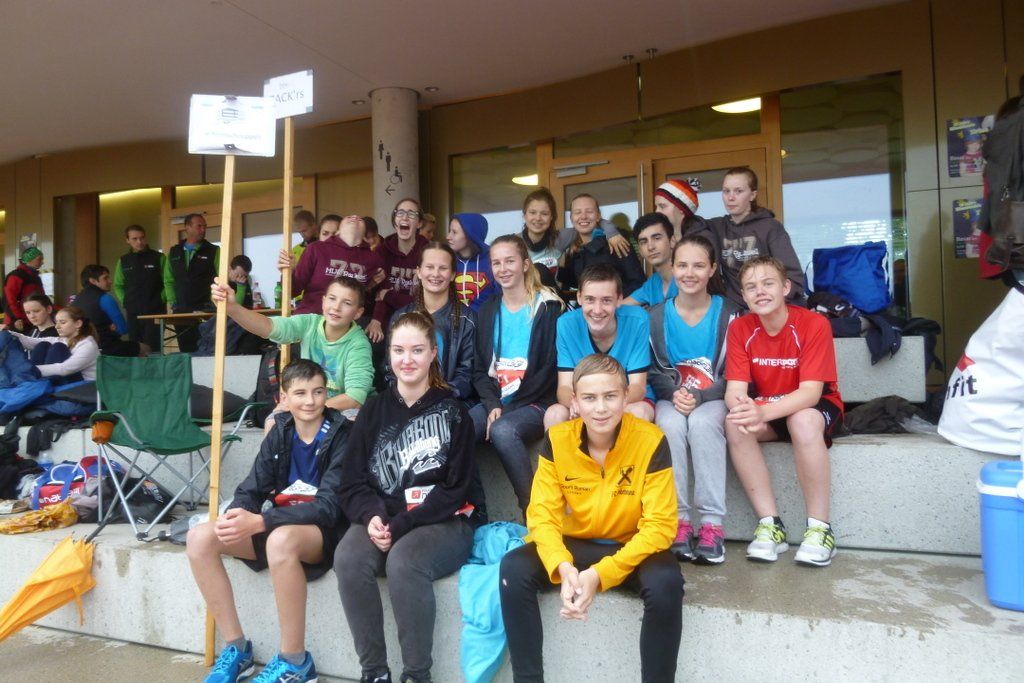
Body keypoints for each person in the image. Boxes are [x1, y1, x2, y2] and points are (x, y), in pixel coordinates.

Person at [499, 354, 683, 683]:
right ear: (575, 402)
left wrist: (600, 574)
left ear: (625, 397)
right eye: (589, 398)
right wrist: (562, 565)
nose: (600, 408)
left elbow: (660, 526)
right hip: (577, 543)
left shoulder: (651, 440)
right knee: (513, 568)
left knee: (666, 582)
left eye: (610, 396)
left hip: (631, 547)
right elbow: (541, 515)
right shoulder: (558, 440)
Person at [334, 311, 476, 683]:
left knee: (404, 561)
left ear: (433, 353)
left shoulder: (454, 412)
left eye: (416, 350)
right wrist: (372, 516)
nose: (407, 359)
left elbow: (456, 490)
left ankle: (416, 674)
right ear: (389, 355)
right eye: (398, 350)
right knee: (348, 558)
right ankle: (374, 672)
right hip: (384, 517)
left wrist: (402, 524)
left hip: (442, 520)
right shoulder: (374, 409)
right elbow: (352, 483)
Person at [187, 360, 351, 683]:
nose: (310, 401)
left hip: (323, 534)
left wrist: (261, 521)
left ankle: (295, 661)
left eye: (318, 392)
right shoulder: (280, 432)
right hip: (275, 523)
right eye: (300, 393)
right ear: (283, 398)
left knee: (279, 539)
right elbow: (251, 489)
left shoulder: (343, 434)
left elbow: (329, 508)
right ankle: (237, 650)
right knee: (199, 538)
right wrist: (236, 516)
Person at [724, 255, 843, 567]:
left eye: (768, 283)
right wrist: (746, 410)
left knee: (802, 421)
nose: (760, 292)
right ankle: (771, 526)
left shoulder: (813, 324)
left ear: (786, 287)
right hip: (770, 407)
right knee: (735, 422)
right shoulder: (740, 328)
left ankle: (820, 530)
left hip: (814, 406)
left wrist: (762, 413)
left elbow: (811, 392)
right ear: (743, 295)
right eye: (751, 287)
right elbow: (735, 391)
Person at [649, 235, 742, 564]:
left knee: (703, 425)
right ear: (672, 267)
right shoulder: (656, 316)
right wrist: (672, 392)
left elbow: (735, 372)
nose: (690, 273)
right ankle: (679, 521)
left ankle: (712, 525)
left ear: (712, 269)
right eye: (683, 265)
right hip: (672, 398)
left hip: (714, 397)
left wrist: (701, 395)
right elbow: (653, 370)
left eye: (699, 265)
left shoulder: (729, 314)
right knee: (669, 425)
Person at [473, 234, 562, 513]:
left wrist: (506, 409)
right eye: (496, 263)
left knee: (503, 430)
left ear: (525, 264)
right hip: (498, 401)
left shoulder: (548, 307)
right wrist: (493, 404)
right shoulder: (488, 310)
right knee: (459, 428)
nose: (503, 269)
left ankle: (533, 512)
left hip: (536, 401)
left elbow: (550, 370)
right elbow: (479, 370)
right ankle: (472, 512)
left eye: (509, 261)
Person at [210, 275, 374, 421]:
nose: (336, 307)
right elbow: (268, 327)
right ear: (323, 301)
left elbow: (354, 398)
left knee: (353, 419)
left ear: (358, 313)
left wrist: (306, 408)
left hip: (339, 409)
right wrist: (233, 308)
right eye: (332, 298)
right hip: (307, 404)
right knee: (274, 420)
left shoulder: (359, 344)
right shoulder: (309, 323)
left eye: (346, 303)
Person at [546, 264, 652, 428]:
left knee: (639, 412)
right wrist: (579, 403)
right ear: (579, 298)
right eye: (590, 299)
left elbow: (638, 387)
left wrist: (605, 407)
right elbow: (564, 387)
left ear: (619, 299)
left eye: (606, 300)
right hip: (585, 401)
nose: (597, 310)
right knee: (554, 413)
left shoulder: (638, 320)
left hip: (626, 400)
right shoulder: (566, 324)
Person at [707, 167, 805, 307]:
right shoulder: (717, 227)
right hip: (736, 310)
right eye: (726, 191)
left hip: (769, 307)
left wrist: (769, 306)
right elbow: (688, 224)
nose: (730, 197)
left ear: (752, 195)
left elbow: (793, 278)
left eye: (738, 191)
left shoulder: (770, 227)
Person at [519, 187, 632, 285]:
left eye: (544, 213)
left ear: (552, 217)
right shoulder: (514, 242)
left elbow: (587, 223)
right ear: (524, 215)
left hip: (549, 299)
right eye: (532, 212)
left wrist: (612, 233)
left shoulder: (560, 237)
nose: (538, 218)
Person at [290, 215, 385, 317]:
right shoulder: (316, 248)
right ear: (339, 231)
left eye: (360, 219)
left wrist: (370, 287)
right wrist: (289, 271)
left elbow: (375, 297)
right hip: (310, 315)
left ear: (364, 232)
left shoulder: (374, 258)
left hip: (344, 321)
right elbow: (292, 291)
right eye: (348, 217)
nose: (354, 217)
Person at [369, 198, 429, 342]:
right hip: (389, 320)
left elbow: (425, 301)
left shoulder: (428, 251)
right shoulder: (382, 251)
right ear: (395, 221)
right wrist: (376, 320)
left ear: (419, 223)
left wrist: (389, 296)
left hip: (421, 319)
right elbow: (380, 293)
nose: (405, 217)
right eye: (400, 213)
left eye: (411, 214)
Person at [561, 194, 646, 296]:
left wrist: (615, 301)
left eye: (589, 211)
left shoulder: (616, 242)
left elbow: (638, 282)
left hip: (619, 305)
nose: (583, 216)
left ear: (598, 216)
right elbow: (574, 283)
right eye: (577, 212)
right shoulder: (573, 249)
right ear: (571, 218)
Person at [164, 213, 220, 352]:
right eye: (199, 226)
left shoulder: (213, 250)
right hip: (181, 310)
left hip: (206, 310)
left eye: (204, 226)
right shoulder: (174, 252)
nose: (203, 230)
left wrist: (214, 302)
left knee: (207, 349)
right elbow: (168, 280)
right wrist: (173, 302)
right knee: (186, 349)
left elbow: (221, 279)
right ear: (187, 227)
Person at [7, 306, 100, 381]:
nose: (57, 326)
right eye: (56, 322)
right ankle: (33, 382)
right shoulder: (62, 340)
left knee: (58, 347)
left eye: (62, 322)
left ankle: (36, 382)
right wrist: (7, 332)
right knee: (43, 345)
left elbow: (65, 369)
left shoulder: (88, 344)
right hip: (69, 381)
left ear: (78, 324)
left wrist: (29, 369)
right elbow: (29, 342)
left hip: (85, 387)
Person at [112, 225, 165, 350]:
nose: (139, 242)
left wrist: (161, 299)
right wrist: (125, 300)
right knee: (136, 348)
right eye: (134, 239)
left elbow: (167, 282)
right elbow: (118, 285)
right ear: (127, 240)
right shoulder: (123, 260)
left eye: (142, 238)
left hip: (155, 311)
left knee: (153, 347)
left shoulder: (159, 257)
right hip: (133, 311)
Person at [74, 264, 145, 357]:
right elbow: (123, 329)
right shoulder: (105, 298)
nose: (110, 281)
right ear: (93, 281)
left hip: (80, 348)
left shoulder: (75, 300)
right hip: (106, 347)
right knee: (146, 348)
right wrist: (114, 329)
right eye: (105, 278)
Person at [623, 213, 678, 307]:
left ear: (672, 241)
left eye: (657, 238)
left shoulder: (687, 276)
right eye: (644, 242)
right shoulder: (653, 283)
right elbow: (619, 307)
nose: (650, 247)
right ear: (640, 251)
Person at [448, 212, 496, 311]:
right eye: (449, 231)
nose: (448, 237)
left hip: (486, 319)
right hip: (454, 319)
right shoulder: (447, 259)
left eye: (454, 232)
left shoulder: (493, 259)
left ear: (470, 235)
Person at [3, 247, 45, 331]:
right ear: (29, 260)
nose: (42, 262)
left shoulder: (36, 277)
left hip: (32, 321)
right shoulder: (16, 276)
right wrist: (16, 318)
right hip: (18, 323)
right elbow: (9, 299)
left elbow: (42, 299)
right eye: (39, 259)